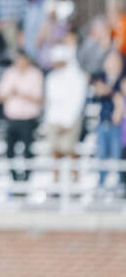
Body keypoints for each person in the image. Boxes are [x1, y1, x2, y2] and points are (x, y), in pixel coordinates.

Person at [0, 51, 44, 183]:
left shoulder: (35, 74)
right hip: (12, 118)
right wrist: (11, 93)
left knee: (28, 151)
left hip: (28, 119)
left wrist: (20, 93)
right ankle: (14, 178)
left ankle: (27, 178)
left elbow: (38, 98)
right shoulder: (9, 73)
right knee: (10, 150)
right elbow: (0, 95)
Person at [43, 45, 88, 184]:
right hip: (54, 119)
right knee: (55, 151)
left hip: (71, 119)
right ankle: (56, 180)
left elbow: (78, 100)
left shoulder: (78, 77)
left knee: (70, 150)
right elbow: (50, 100)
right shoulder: (51, 77)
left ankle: (75, 180)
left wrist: (69, 121)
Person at [93, 49, 123, 190]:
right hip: (103, 121)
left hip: (118, 124)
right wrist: (114, 94)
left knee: (117, 156)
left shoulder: (122, 77)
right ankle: (101, 184)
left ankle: (119, 184)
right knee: (101, 155)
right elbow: (99, 90)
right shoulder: (102, 76)